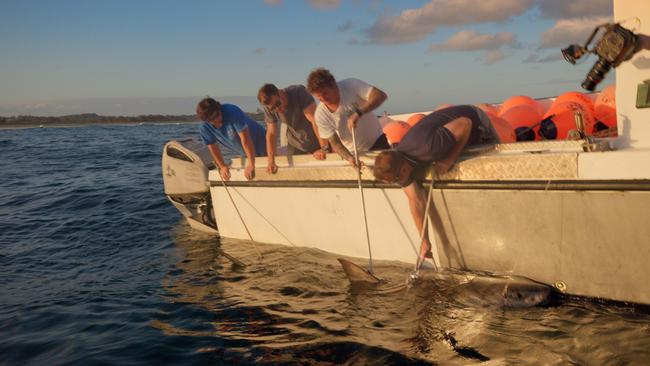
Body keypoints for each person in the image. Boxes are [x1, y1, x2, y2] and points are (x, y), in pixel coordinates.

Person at [372, 105, 499, 263]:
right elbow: (415, 201)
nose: (398, 183)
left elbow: (465, 123)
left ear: (403, 170)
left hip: (476, 120)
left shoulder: (428, 148)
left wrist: (449, 159)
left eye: (396, 180)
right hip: (451, 131)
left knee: (495, 150)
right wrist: (424, 241)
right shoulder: (400, 165)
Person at [306, 68, 390, 167]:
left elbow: (380, 95)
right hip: (352, 152)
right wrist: (350, 158)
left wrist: (359, 112)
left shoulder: (351, 85)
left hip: (377, 141)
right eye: (319, 97)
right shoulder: (320, 115)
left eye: (325, 93)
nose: (323, 99)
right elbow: (336, 144)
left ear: (334, 85)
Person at [257, 83, 329, 174]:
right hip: (295, 143)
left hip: (317, 140)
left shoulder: (299, 93)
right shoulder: (269, 107)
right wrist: (271, 161)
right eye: (273, 108)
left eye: (278, 104)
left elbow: (315, 120)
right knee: (293, 171)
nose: (278, 110)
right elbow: (271, 133)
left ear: (280, 93)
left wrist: (324, 148)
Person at [196, 97, 266, 181]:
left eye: (217, 114)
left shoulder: (232, 111)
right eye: (212, 119)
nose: (217, 119)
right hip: (245, 152)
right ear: (206, 121)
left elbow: (245, 139)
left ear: (219, 108)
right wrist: (222, 166)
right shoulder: (204, 127)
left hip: (262, 141)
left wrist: (251, 164)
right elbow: (213, 146)